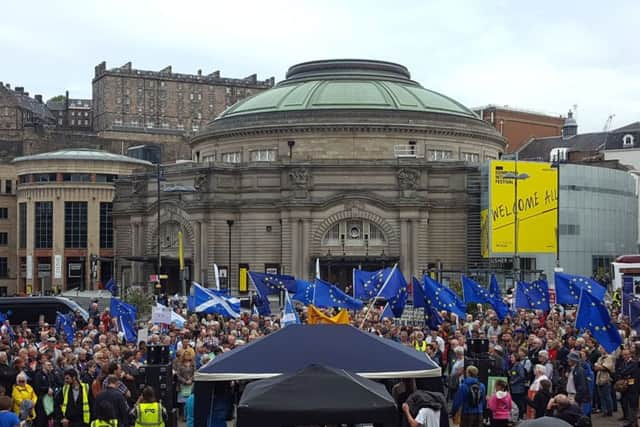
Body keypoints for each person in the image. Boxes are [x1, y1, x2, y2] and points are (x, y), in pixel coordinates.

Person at [566, 351, 591, 416]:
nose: (568, 360)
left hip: (575, 396)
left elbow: (582, 387)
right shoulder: (572, 369)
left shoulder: (579, 371)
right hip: (571, 395)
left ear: (573, 360)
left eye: (569, 359)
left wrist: (576, 398)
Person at [593, 345, 614, 417]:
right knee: (601, 396)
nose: (600, 350)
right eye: (600, 349)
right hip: (599, 379)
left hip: (606, 379)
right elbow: (596, 368)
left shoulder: (609, 357)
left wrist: (599, 366)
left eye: (602, 348)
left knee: (607, 396)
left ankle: (609, 411)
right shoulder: (600, 358)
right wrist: (599, 366)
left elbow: (606, 367)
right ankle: (604, 411)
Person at [508, 351, 527, 419]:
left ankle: (520, 417)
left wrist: (513, 381)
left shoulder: (519, 365)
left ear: (516, 358)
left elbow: (522, 376)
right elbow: (514, 374)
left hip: (518, 389)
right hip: (514, 389)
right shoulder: (514, 365)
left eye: (512, 357)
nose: (511, 359)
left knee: (518, 403)